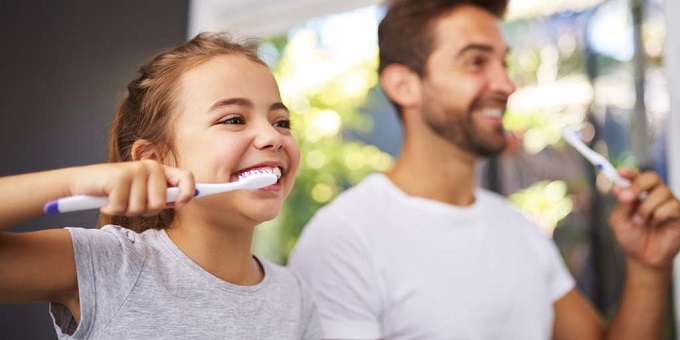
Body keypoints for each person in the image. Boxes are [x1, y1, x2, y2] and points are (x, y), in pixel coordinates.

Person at [288, 0, 680, 339]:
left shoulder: (518, 229)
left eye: (503, 63)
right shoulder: (343, 240)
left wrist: (649, 268)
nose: (506, 83)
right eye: (476, 61)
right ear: (404, 85)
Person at [0, 32, 321, 339]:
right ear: (155, 159)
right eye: (234, 119)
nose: (272, 137)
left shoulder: (295, 296)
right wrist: (74, 182)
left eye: (281, 122)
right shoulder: (107, 264)